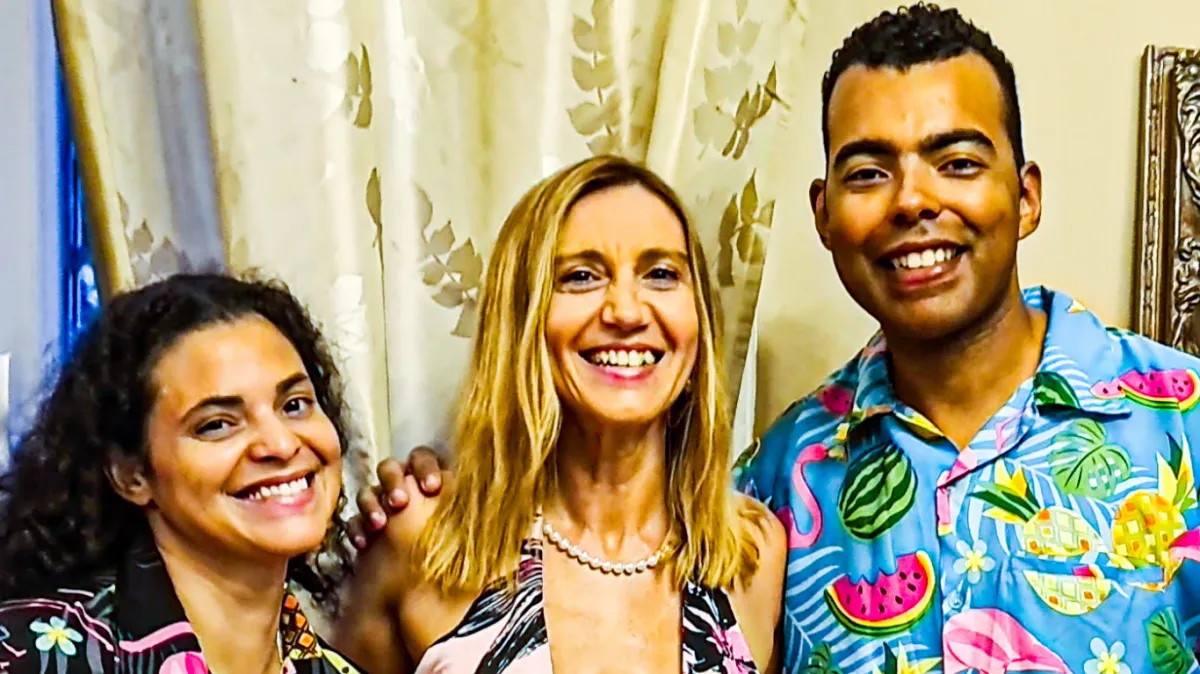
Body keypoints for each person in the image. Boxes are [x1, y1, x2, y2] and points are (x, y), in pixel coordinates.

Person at [357, 4, 1200, 672]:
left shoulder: (1185, 427)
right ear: (824, 215)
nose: (913, 200)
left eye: (957, 162)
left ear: (1026, 197)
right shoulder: (778, 489)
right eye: (869, 172)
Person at [332, 154, 786, 673]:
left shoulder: (754, 553)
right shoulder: (424, 537)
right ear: (521, 318)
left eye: (661, 274)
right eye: (581, 277)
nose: (626, 311)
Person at [0, 274, 364, 673]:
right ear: (131, 475)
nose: (280, 444)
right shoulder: (34, 658)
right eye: (217, 425)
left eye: (294, 405)